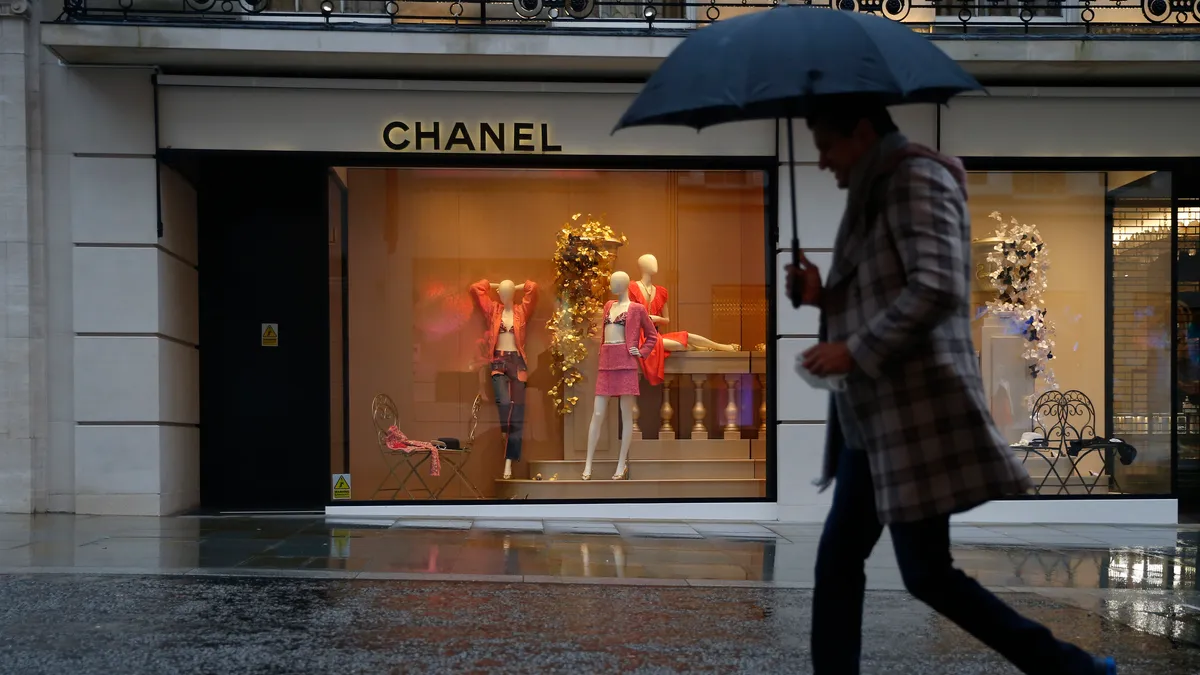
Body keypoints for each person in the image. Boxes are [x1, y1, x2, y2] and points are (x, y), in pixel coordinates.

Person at [786, 97, 1117, 675]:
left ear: (862, 133)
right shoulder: (877, 187)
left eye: (826, 146)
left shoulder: (915, 178)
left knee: (920, 573)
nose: (822, 163)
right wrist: (823, 296)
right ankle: (1071, 670)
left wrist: (853, 349)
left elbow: (937, 287)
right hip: (876, 420)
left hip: (909, 417)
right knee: (856, 564)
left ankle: (1073, 669)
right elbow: (891, 289)